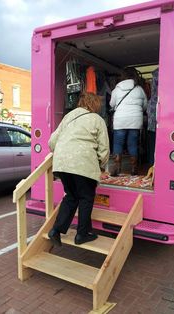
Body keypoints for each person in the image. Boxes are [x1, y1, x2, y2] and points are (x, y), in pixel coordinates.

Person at [48, 92, 110, 246]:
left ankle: (56, 230)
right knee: (86, 198)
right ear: (95, 104)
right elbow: (104, 149)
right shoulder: (97, 119)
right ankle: (82, 235)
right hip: (83, 163)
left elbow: (52, 141)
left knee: (71, 196)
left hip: (62, 164)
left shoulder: (68, 116)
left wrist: (63, 153)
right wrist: (101, 165)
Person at [109, 67, 147, 176]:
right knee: (133, 144)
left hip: (120, 119)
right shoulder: (139, 89)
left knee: (118, 144)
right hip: (135, 120)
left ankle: (116, 168)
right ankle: (134, 168)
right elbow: (145, 105)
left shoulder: (116, 89)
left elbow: (112, 104)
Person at [147, 67, 159, 167]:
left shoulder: (155, 75)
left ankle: (151, 165)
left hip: (152, 115)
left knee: (152, 144)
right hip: (162, 115)